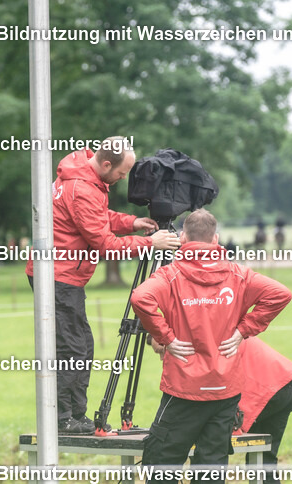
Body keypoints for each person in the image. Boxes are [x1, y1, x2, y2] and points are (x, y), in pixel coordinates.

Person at [113, 208, 291, 484]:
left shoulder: (171, 274)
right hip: (225, 389)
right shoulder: (238, 274)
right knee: (212, 463)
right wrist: (244, 331)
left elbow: (139, 298)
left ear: (182, 238)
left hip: (183, 389)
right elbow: (280, 294)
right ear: (216, 239)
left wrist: (164, 336)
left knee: (163, 461)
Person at [26, 137, 181, 434]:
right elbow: (105, 244)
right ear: (106, 164)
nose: (122, 179)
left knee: (81, 345)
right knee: (72, 348)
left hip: (61, 273)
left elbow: (98, 218)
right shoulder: (82, 187)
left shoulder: (84, 176)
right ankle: (62, 418)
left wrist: (133, 223)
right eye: (121, 174)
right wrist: (150, 243)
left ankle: (74, 415)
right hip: (58, 275)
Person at [169, 336, 292, 484]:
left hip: (264, 387)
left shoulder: (196, 345)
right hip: (285, 385)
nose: (161, 355)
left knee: (208, 441)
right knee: (264, 459)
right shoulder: (207, 333)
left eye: (159, 350)